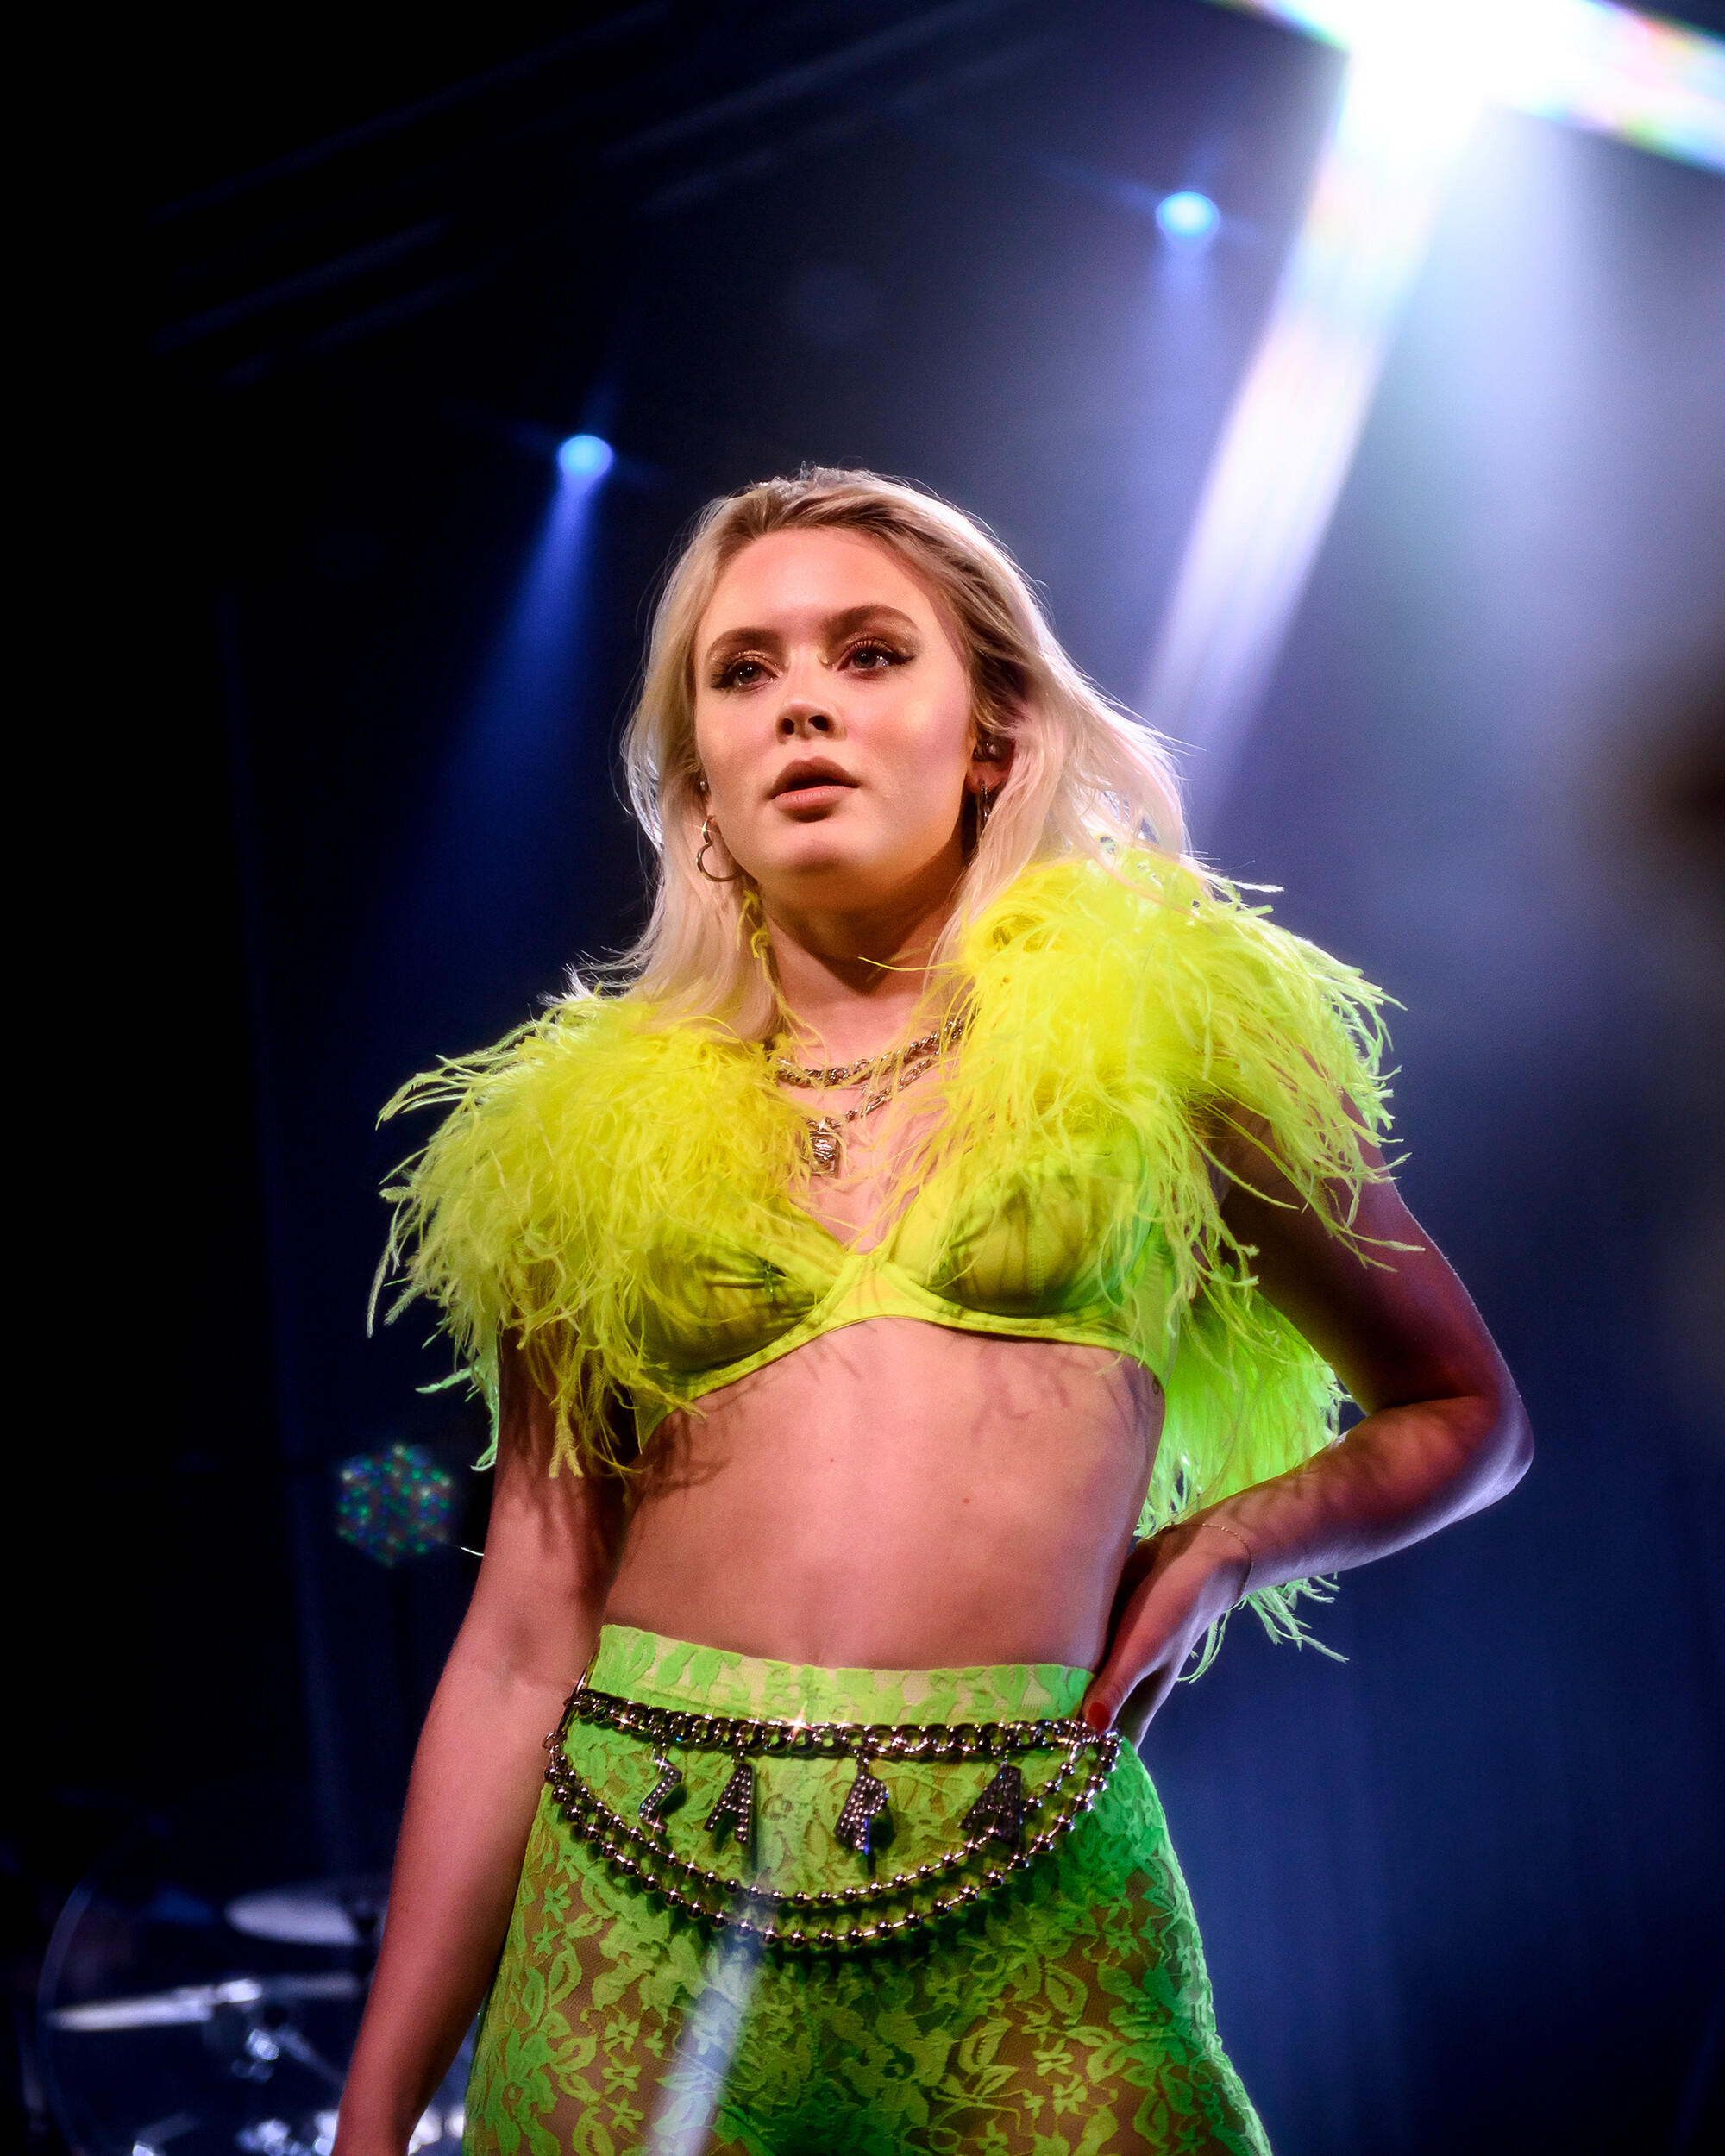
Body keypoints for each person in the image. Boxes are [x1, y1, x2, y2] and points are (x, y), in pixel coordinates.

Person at [335, 469, 1530, 2156]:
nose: (800, 700)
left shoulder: (1167, 1037)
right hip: (632, 1917)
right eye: (742, 671)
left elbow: (1466, 1410)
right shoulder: (576, 1136)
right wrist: (375, 2112)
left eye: (870, 652)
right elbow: (527, 1633)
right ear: (698, 780)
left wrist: (1221, 1548)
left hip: (1030, 1909)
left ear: (994, 732)